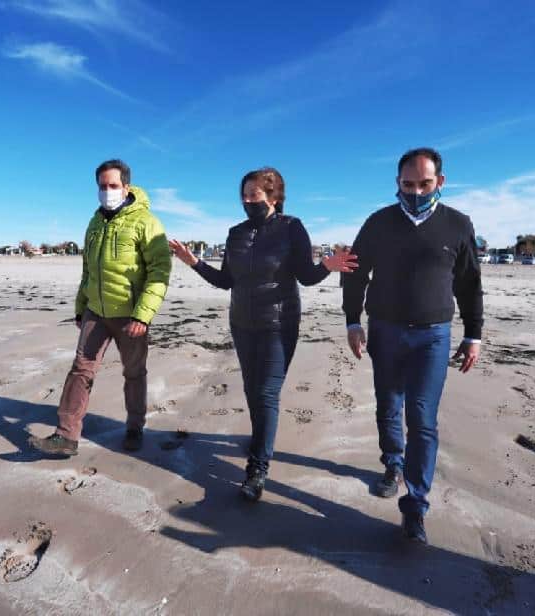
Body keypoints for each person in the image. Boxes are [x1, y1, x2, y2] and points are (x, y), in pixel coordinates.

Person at [170, 167, 357, 501]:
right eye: (243, 195)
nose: (246, 200)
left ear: (273, 196)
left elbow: (306, 276)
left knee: (267, 393)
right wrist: (193, 262)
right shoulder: (235, 233)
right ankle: (260, 440)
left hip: (279, 324)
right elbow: (227, 281)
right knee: (251, 391)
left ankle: (257, 470)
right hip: (241, 323)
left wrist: (328, 266)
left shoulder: (291, 228)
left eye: (253, 194)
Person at [342, 148, 483, 543]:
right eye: (408, 184)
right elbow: (353, 275)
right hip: (384, 330)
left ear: (440, 181)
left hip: (433, 335)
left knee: (422, 417)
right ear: (397, 183)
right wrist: (353, 320)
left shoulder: (458, 224)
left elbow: (469, 282)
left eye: (424, 183)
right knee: (389, 404)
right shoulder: (378, 222)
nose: (416, 191)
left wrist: (474, 334)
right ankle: (393, 463)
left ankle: (416, 505)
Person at [30, 160, 171, 456]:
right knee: (80, 370)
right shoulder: (94, 222)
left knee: (134, 373)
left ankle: (135, 427)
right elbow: (87, 270)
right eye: (102, 186)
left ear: (126, 188)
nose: (107, 191)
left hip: (130, 315)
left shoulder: (146, 222)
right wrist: (81, 308)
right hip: (96, 311)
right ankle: (66, 436)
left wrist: (143, 315)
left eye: (113, 186)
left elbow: (159, 272)